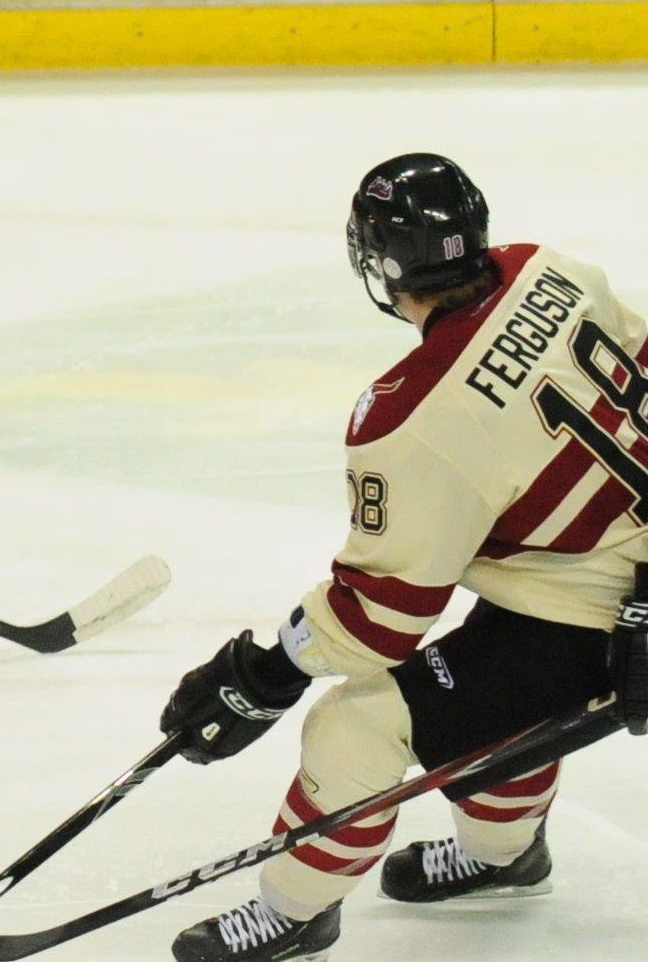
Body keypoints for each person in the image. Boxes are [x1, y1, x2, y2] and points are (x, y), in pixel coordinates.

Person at [157, 152, 648, 961]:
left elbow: (379, 622)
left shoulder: (412, 416)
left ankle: (293, 911)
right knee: (488, 687)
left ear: (377, 265)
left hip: (592, 608)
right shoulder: (549, 270)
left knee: (357, 729)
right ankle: (504, 856)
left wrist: (265, 670)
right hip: (608, 572)